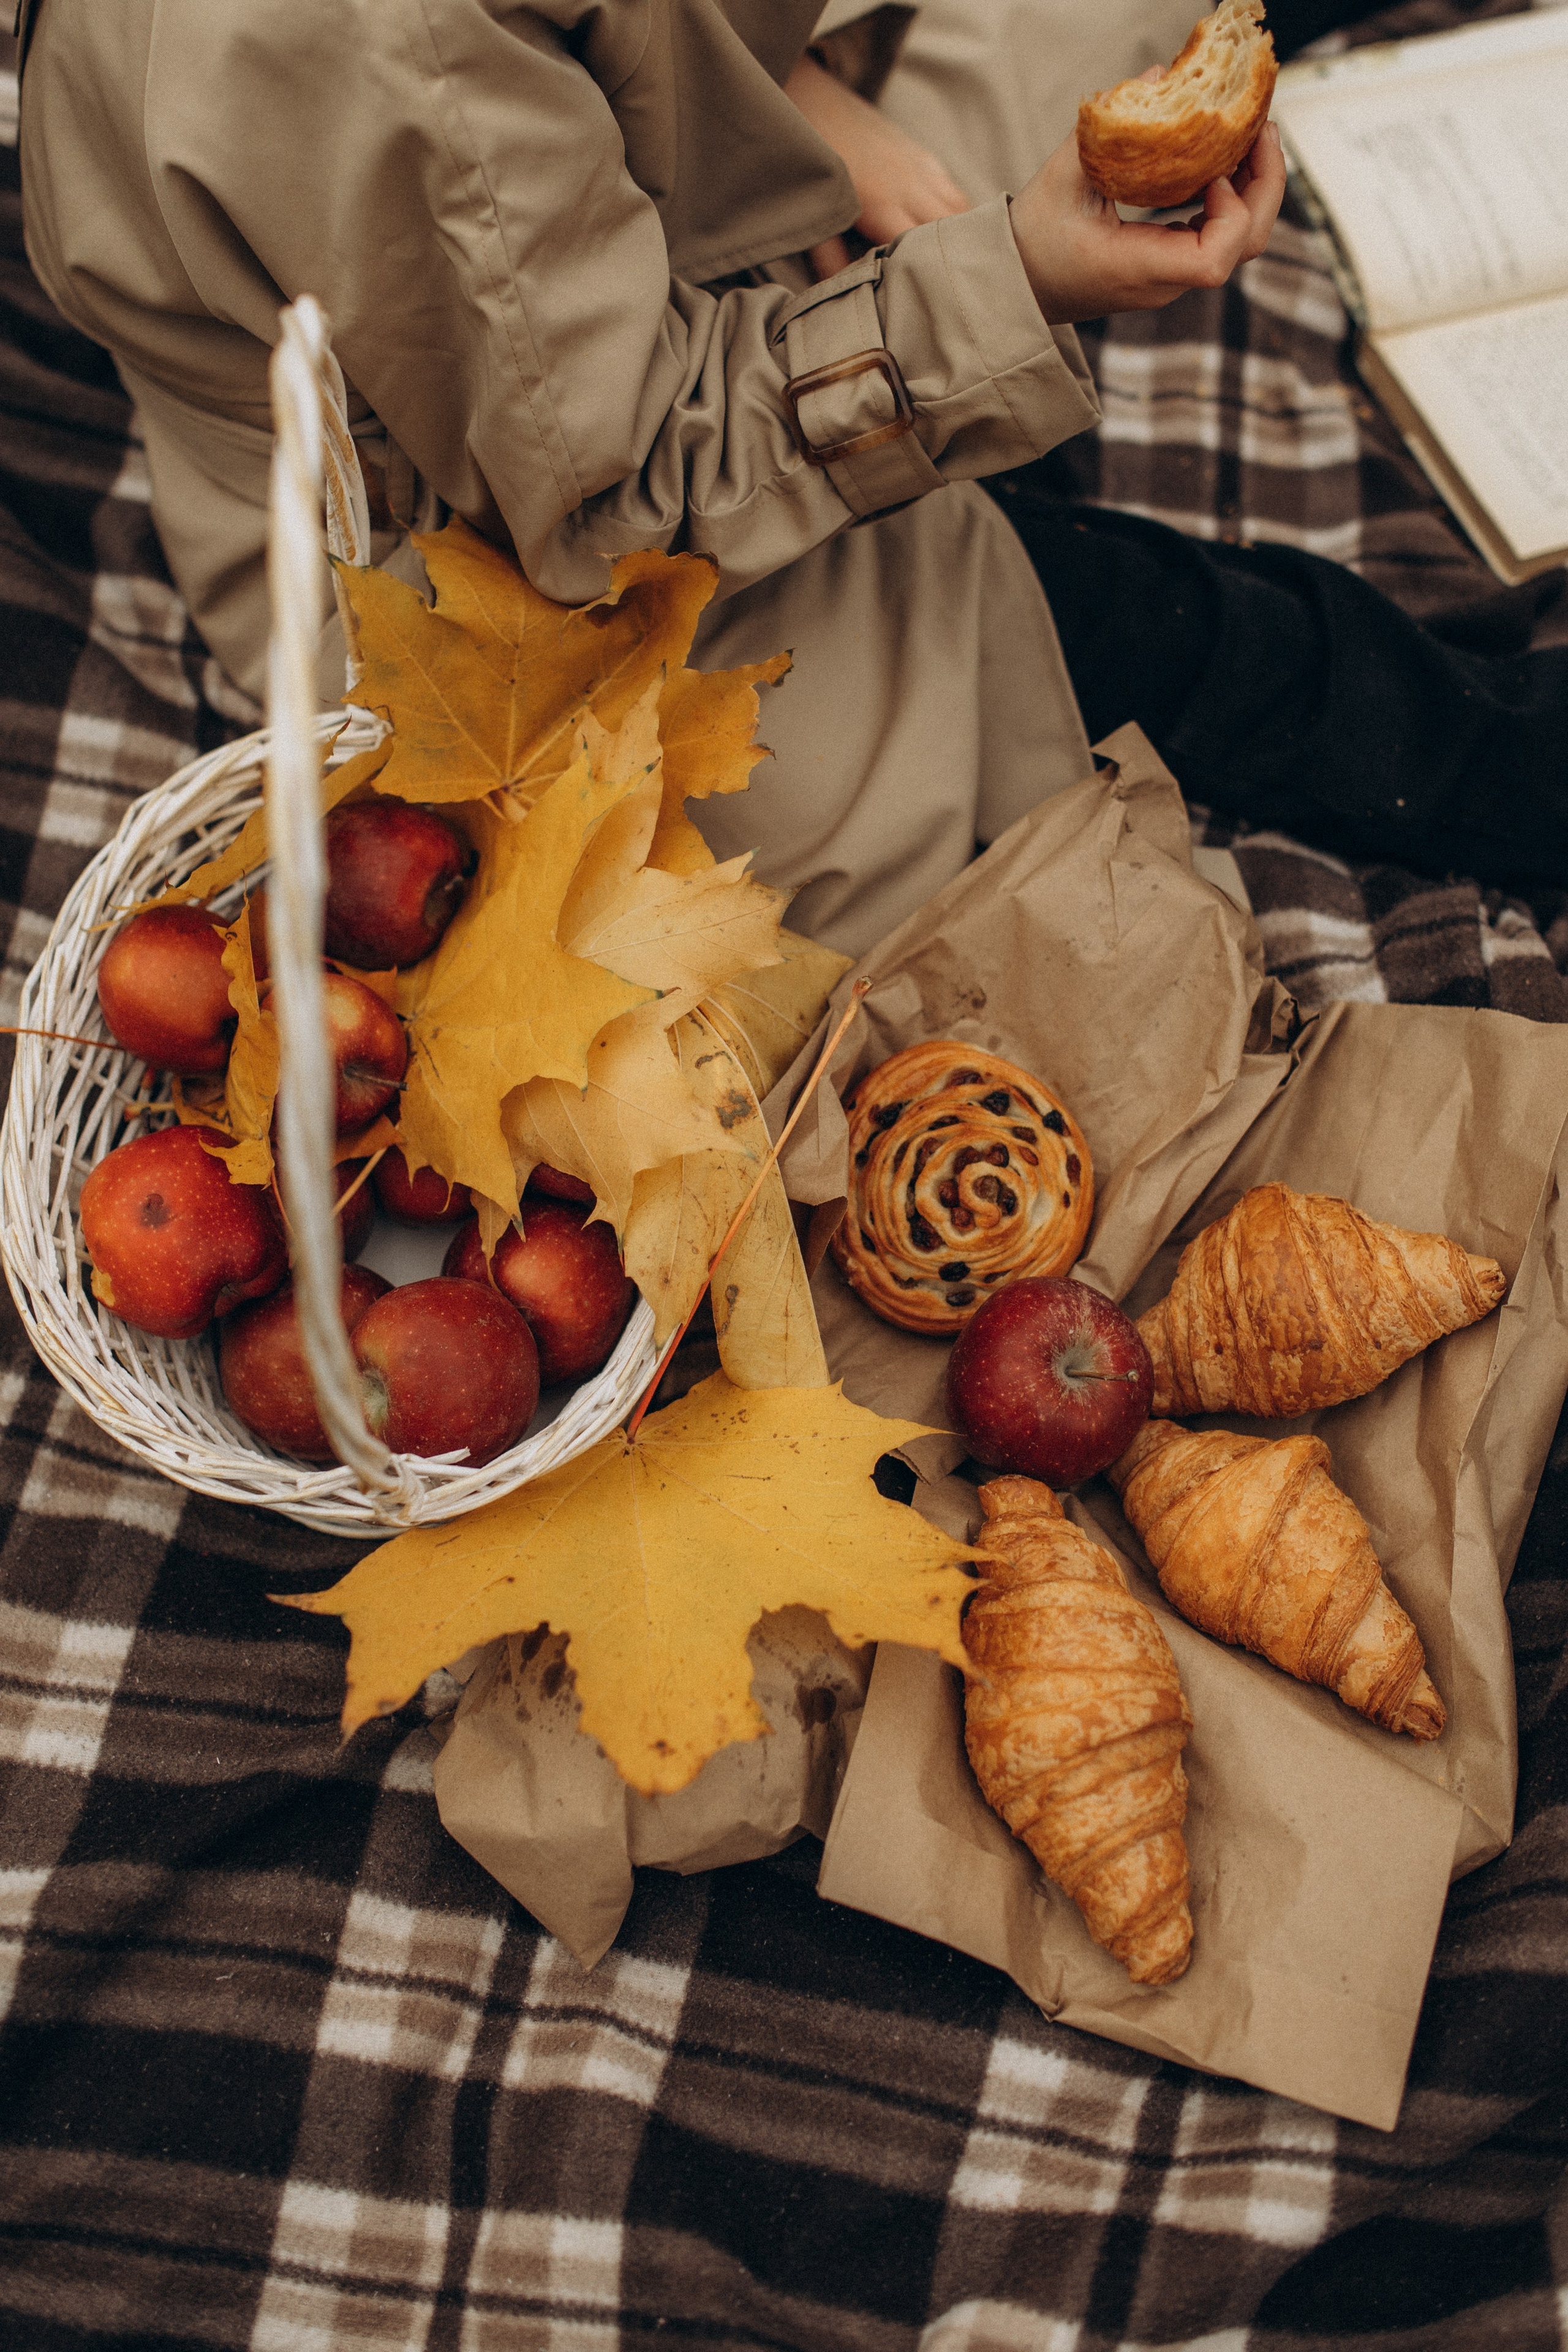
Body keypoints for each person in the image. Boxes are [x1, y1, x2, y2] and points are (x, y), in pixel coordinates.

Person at [16, 0, 1566, 951]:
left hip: (593, 234)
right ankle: (1468, 745)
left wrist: (805, 99)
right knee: (1111, 626)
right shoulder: (359, 38)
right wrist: (1008, 285)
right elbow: (621, 484)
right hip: (501, 556)